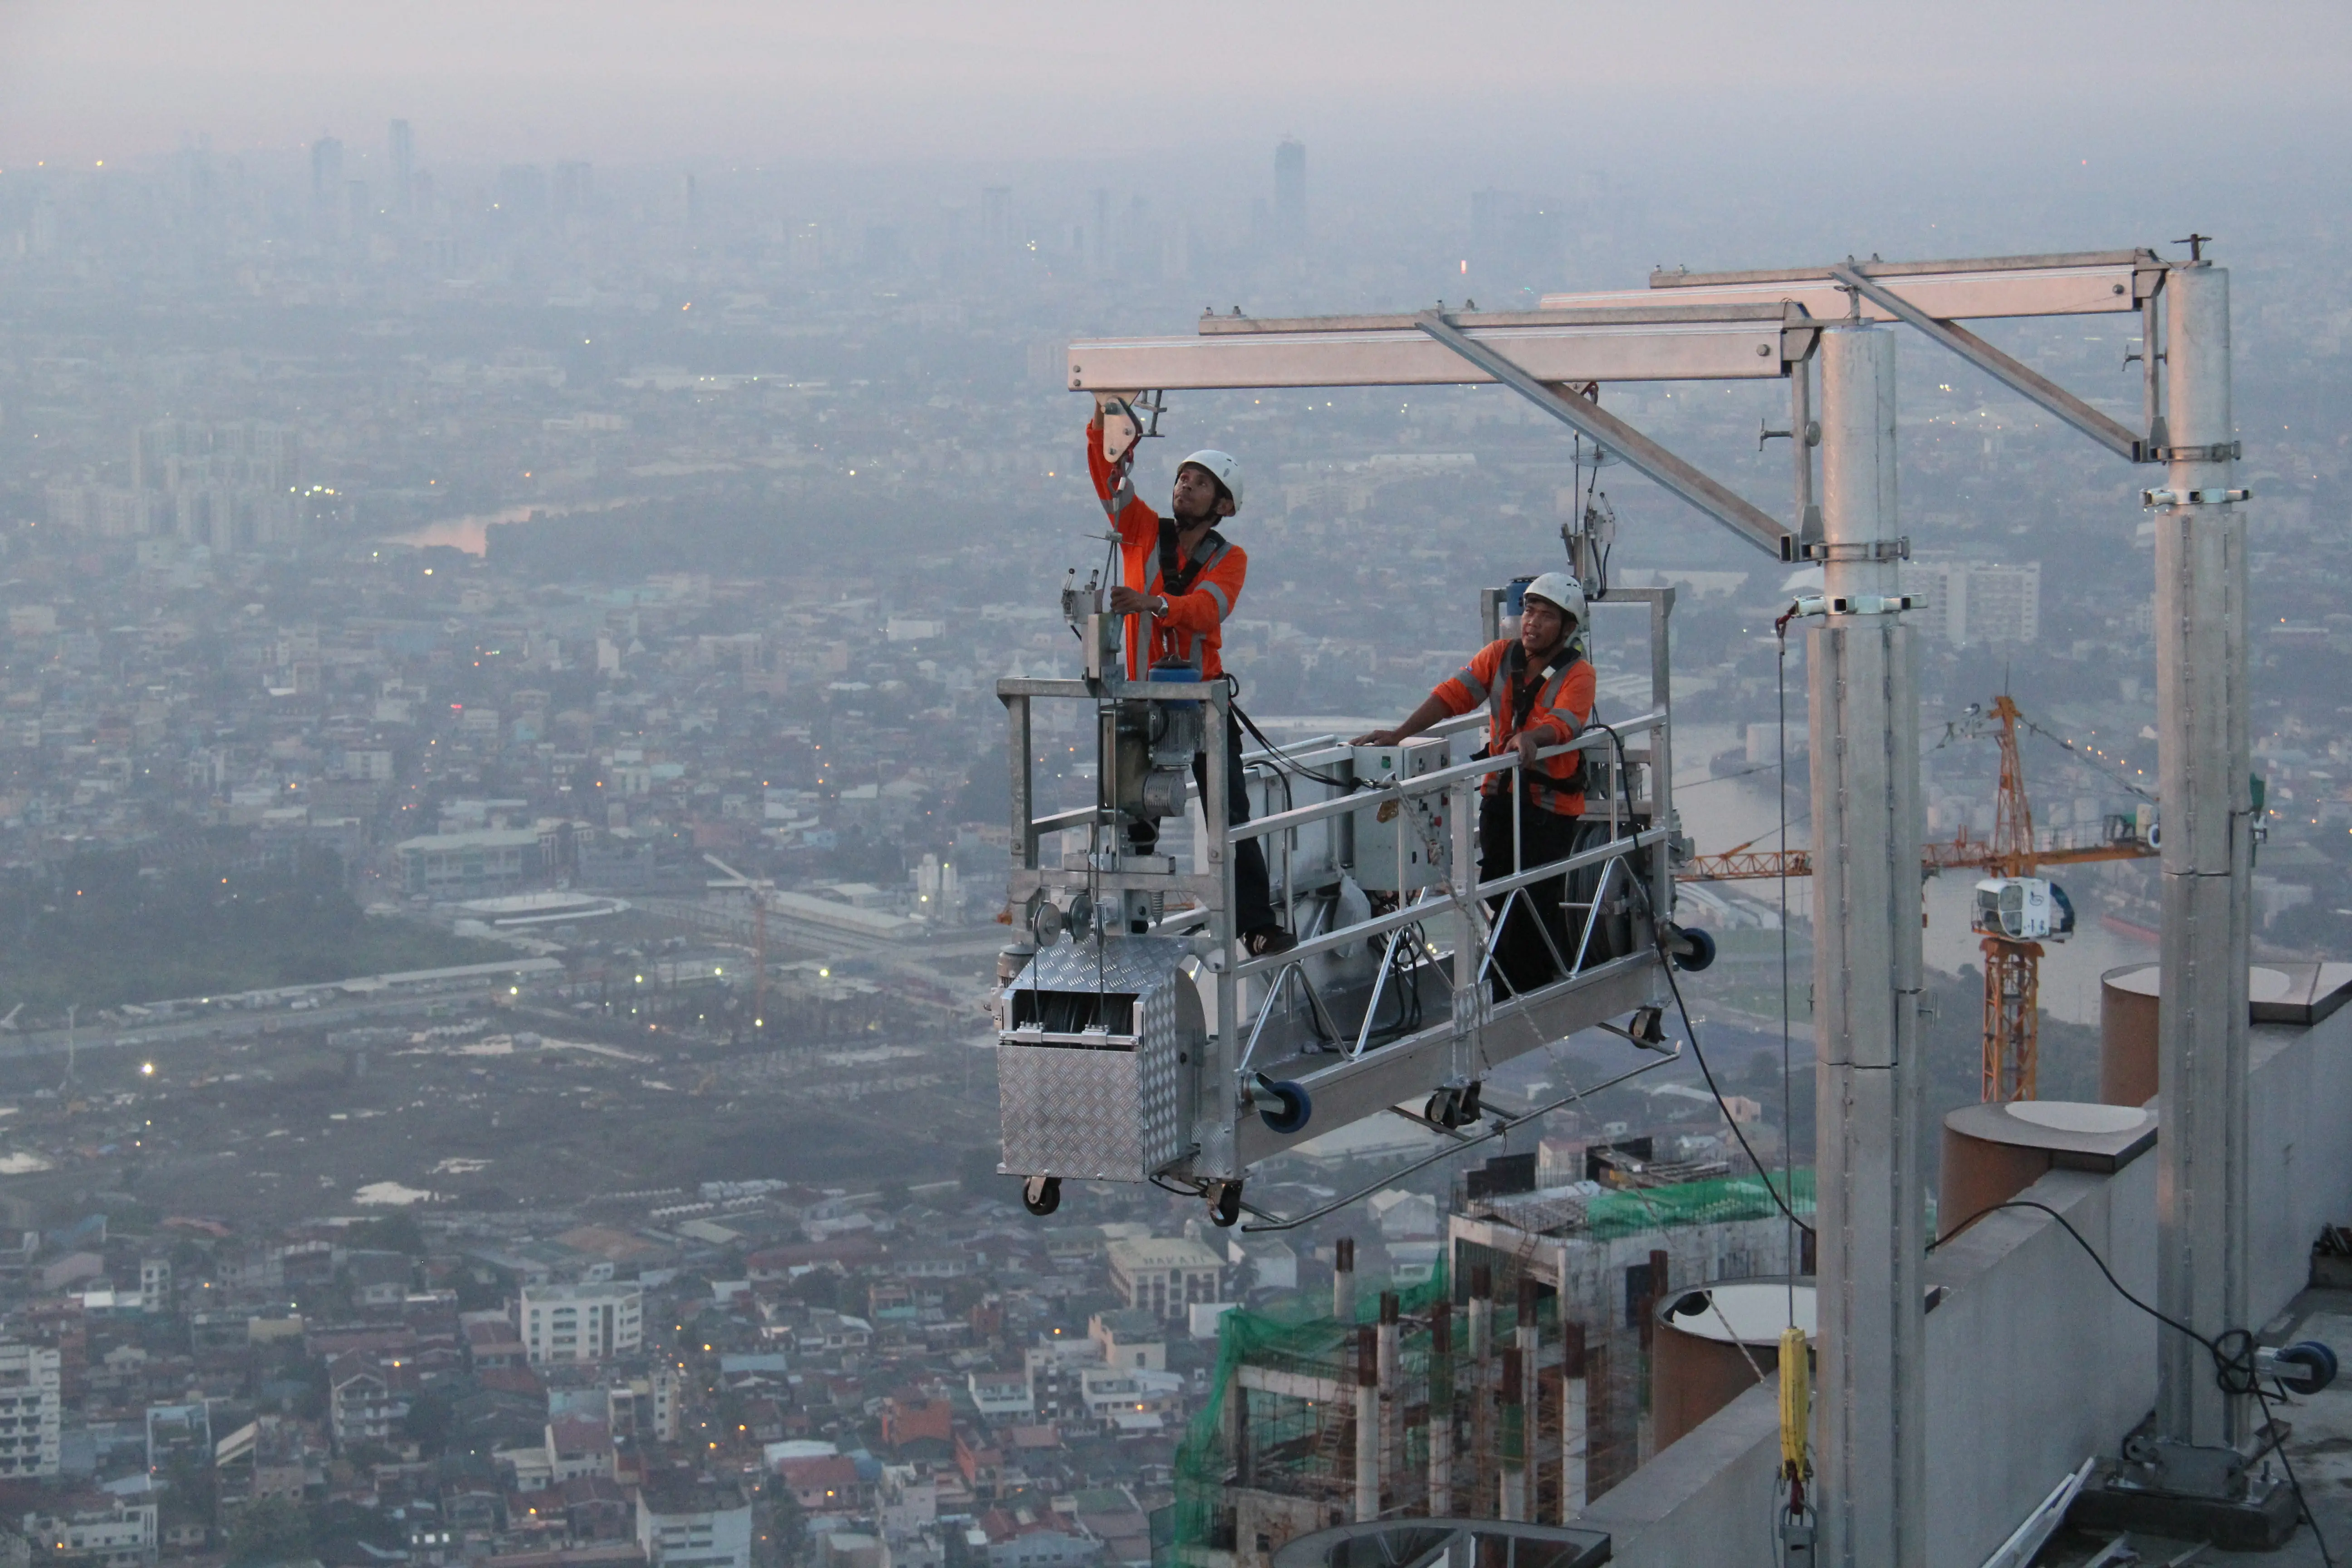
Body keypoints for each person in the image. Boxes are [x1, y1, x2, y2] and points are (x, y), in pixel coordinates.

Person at [1086, 402, 1294, 956]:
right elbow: (1107, 477)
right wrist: (1105, 423)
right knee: (1132, 808)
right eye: (1182, 478)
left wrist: (1153, 604)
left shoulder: (1230, 557)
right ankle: (1129, 923)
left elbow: (1208, 610)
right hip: (1146, 695)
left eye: (1200, 483)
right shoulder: (1141, 531)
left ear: (1223, 505)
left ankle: (1256, 922)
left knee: (1228, 813)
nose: (1185, 487)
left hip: (1201, 698)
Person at [1356, 572, 1597, 995]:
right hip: (1501, 795)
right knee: (1501, 885)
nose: (1532, 622)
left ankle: (1520, 981)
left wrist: (1532, 739)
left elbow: (1566, 724)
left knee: (1534, 891)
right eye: (1529, 611)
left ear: (1568, 628)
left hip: (1548, 808)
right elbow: (1453, 696)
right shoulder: (1500, 657)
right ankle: (1517, 977)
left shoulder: (1578, 674)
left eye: (1545, 616)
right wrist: (1398, 734)